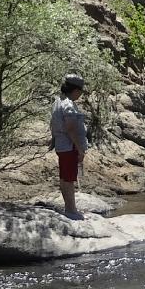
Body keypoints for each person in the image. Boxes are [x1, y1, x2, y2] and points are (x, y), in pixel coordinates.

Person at [50, 73, 90, 220]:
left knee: (65, 177)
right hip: (69, 147)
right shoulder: (68, 104)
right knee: (69, 179)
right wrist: (79, 149)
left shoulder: (57, 101)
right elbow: (71, 128)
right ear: (76, 90)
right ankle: (71, 210)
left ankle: (70, 208)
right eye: (80, 91)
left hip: (62, 146)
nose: (80, 94)